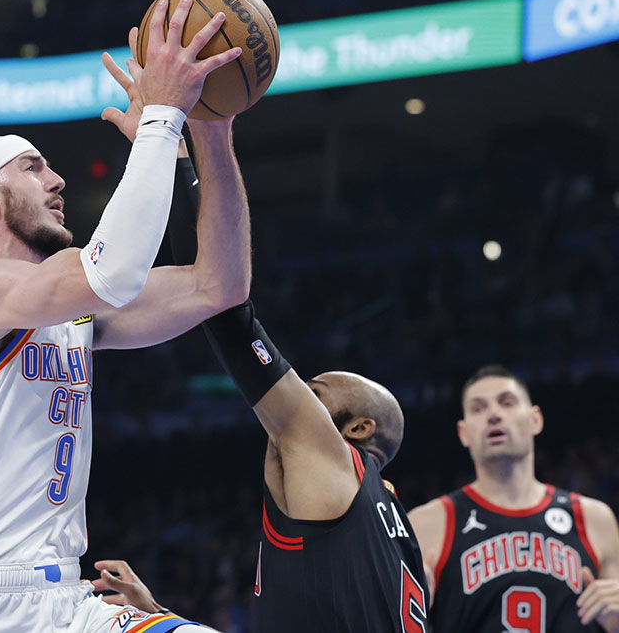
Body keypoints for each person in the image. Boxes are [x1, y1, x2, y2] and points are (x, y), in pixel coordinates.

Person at [0, 0, 245, 633]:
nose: (56, 180)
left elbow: (220, 285)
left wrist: (209, 132)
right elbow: (109, 272)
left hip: (66, 600)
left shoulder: (72, 309)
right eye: (34, 167)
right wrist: (162, 116)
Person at [90, 127, 427, 631]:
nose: (296, 398)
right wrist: (160, 616)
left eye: (314, 394)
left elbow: (222, 307)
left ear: (357, 430)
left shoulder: (339, 464)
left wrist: (194, 142)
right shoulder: (392, 523)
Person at [407, 365, 619, 633]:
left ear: (535, 419)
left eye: (506, 403)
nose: (493, 415)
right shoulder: (428, 524)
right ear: (463, 432)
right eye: (478, 408)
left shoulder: (594, 519)